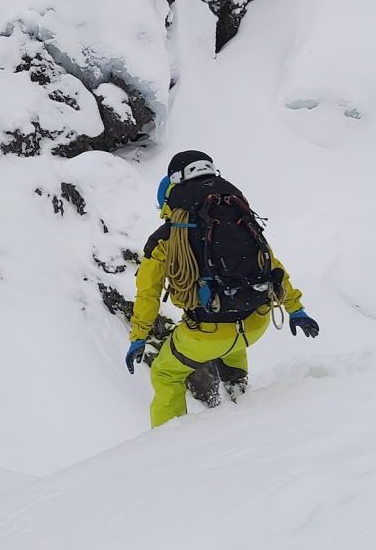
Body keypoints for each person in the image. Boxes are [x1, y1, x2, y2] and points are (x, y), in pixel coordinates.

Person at [126, 150, 319, 428]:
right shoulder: (239, 216)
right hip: (255, 324)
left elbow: (148, 293)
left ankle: (167, 444)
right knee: (233, 336)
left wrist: (138, 338)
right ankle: (240, 394)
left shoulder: (165, 237)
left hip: (206, 333)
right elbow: (271, 263)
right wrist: (296, 309)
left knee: (165, 373)